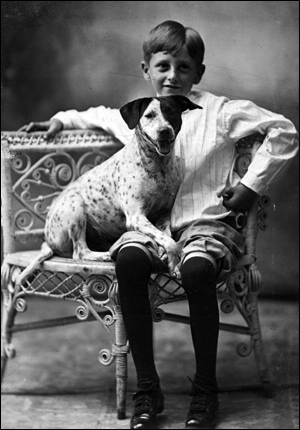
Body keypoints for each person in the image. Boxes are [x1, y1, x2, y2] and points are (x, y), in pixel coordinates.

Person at [20, 20, 298, 430]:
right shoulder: (140, 115)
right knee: (129, 261)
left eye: (183, 67)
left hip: (206, 225)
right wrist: (60, 120)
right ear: (147, 69)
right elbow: (94, 115)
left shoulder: (219, 112)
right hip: (153, 226)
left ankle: (205, 391)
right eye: (163, 66)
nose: (173, 76)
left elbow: (284, 131)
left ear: (198, 72)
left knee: (197, 269)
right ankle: (147, 388)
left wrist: (249, 187)